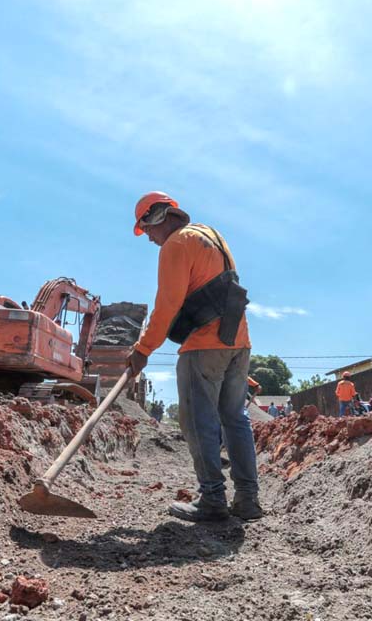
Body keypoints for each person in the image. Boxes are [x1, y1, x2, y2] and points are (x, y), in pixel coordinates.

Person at [126, 192, 262, 522]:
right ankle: (248, 500)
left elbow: (167, 305)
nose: (150, 239)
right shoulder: (211, 235)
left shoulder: (176, 244)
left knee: (198, 421)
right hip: (238, 342)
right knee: (235, 418)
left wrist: (143, 349)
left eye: (148, 229)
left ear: (156, 216)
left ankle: (212, 498)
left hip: (204, 346)